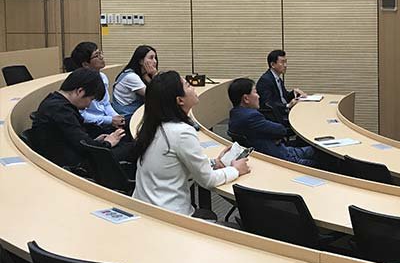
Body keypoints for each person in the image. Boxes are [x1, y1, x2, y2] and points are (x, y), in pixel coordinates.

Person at [132, 71, 251, 216]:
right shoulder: (182, 132)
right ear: (180, 100)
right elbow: (208, 180)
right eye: (188, 85)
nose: (194, 88)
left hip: (145, 208)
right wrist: (235, 169)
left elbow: (174, 163)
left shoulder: (153, 126)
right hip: (171, 214)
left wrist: (214, 163)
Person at [28, 68, 127, 169]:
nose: (89, 105)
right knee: (130, 149)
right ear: (80, 91)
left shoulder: (55, 102)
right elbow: (85, 147)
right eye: (91, 99)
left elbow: (76, 138)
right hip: (70, 164)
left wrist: (96, 141)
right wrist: (108, 143)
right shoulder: (61, 110)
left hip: (68, 154)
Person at [228, 78, 321, 167]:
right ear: (246, 98)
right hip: (282, 159)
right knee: (324, 160)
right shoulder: (252, 116)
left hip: (276, 152)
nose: (259, 96)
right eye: (255, 92)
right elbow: (281, 130)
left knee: (317, 151)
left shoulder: (234, 113)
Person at [69, 42, 125, 139]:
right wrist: (109, 120)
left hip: (106, 121)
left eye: (100, 53)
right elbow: (82, 115)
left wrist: (116, 117)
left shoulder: (103, 77)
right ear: (85, 64)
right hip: (91, 126)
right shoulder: (79, 83)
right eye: (96, 55)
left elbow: (105, 104)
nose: (101, 57)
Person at [256, 50, 306, 125]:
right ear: (273, 64)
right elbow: (267, 104)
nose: (285, 65)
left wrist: (294, 92)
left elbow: (283, 97)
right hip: (276, 117)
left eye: (286, 62)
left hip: (283, 112)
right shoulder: (265, 80)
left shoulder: (277, 78)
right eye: (282, 62)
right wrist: (287, 105)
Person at [112, 45, 158, 123]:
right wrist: (154, 74)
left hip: (134, 112)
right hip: (126, 116)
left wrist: (146, 76)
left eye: (155, 58)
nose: (155, 61)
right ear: (141, 61)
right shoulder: (131, 77)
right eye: (151, 58)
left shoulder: (142, 75)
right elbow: (155, 95)